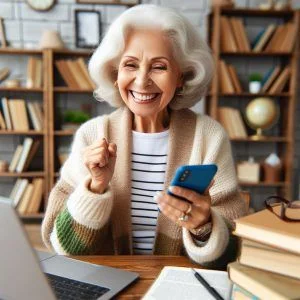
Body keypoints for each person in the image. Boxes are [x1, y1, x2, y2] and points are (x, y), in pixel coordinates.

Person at [41, 4, 247, 269]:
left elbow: (233, 250)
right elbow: (63, 247)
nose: (141, 81)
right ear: (115, 74)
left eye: (158, 67)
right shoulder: (92, 135)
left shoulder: (208, 137)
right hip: (108, 285)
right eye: (130, 65)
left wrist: (204, 226)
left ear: (182, 76)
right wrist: (95, 188)